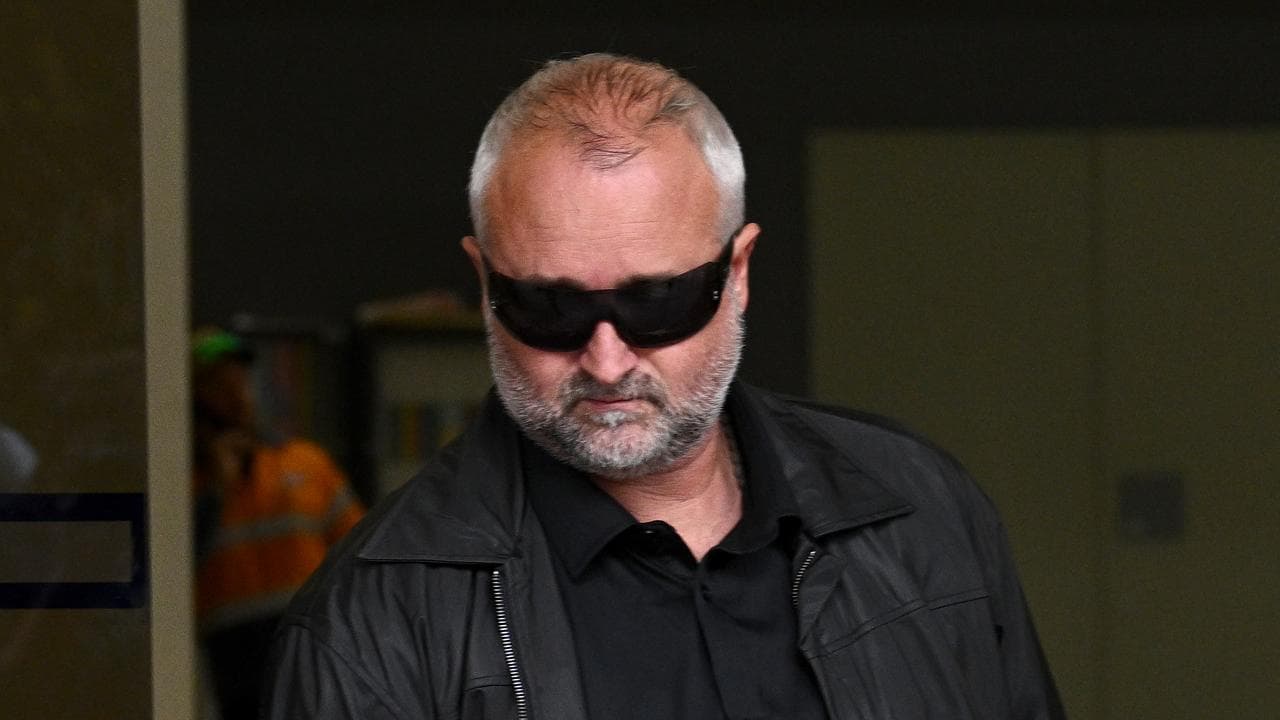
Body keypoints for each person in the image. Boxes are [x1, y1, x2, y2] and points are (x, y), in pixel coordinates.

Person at [265, 53, 1064, 719]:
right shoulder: (369, 625)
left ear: (738, 273)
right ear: (485, 286)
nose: (607, 361)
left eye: (657, 302)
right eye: (550, 307)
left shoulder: (922, 509)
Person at [191, 327, 364, 719]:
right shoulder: (182, 489)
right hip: (233, 661)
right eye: (218, 387)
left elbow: (362, 555)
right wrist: (215, 492)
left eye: (240, 383)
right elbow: (174, 571)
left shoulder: (304, 462)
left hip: (314, 645)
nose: (236, 397)